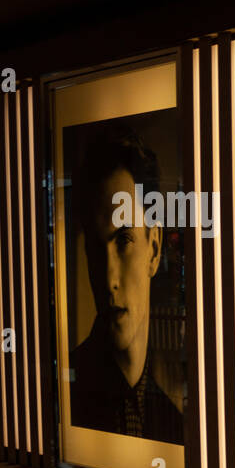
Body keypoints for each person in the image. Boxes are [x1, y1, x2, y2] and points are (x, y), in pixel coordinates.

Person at [68, 122, 183, 445]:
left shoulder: (174, 425)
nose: (108, 279)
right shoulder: (64, 399)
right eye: (95, 246)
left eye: (123, 239)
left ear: (154, 249)